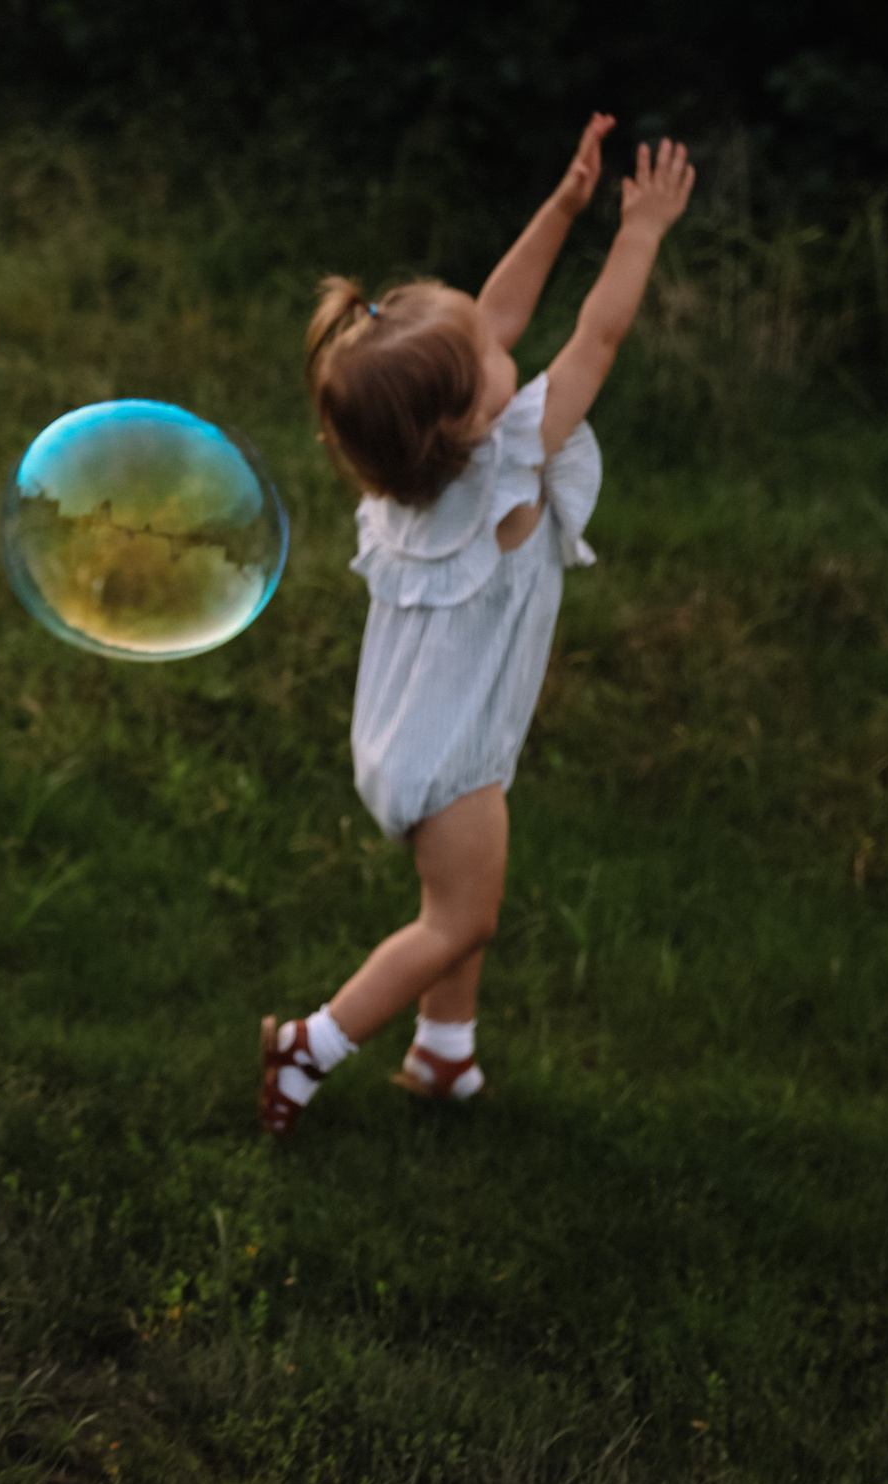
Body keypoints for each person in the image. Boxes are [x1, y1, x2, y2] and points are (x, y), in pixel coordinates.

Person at [260, 119, 695, 1135]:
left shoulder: (414, 472)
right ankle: (309, 1044)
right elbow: (596, 337)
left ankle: (443, 1053)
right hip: (447, 756)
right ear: (462, 419)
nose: (502, 347)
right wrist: (641, 230)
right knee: (462, 915)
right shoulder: (505, 467)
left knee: (469, 891)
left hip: (412, 733)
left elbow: (488, 320)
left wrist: (562, 204)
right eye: (482, 359)